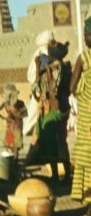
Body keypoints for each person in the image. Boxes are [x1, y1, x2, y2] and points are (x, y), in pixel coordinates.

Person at [27, 40, 72, 183]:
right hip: (63, 108)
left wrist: (41, 72)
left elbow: (42, 90)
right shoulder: (65, 67)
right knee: (62, 141)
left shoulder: (53, 69)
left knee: (50, 141)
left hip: (51, 110)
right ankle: (67, 173)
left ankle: (55, 175)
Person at [71, 19, 91, 203]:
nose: (85, 38)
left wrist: (80, 92)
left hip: (87, 115)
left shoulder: (83, 58)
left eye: (86, 35)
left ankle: (88, 198)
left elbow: (72, 85)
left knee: (87, 154)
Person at [25, 30, 55, 136]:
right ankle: (26, 130)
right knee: (34, 110)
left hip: (43, 86)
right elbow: (40, 70)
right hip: (41, 86)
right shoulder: (43, 53)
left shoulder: (43, 52)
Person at [0, 83, 27, 158]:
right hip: (12, 126)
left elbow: (25, 114)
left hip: (16, 125)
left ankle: (14, 164)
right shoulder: (6, 104)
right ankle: (13, 164)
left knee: (16, 147)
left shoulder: (20, 103)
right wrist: (5, 118)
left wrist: (16, 113)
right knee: (12, 146)